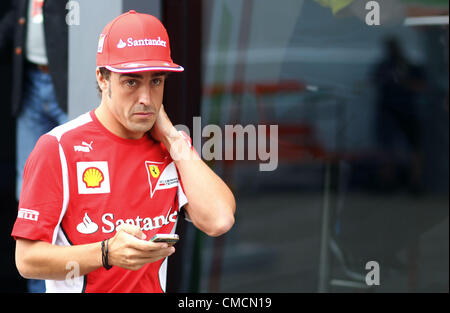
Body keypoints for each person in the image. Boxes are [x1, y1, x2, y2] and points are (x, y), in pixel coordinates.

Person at [11, 10, 236, 293]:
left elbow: (220, 220)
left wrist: (170, 136)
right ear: (103, 79)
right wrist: (106, 253)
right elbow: (26, 260)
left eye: (156, 81)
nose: (145, 98)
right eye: (132, 81)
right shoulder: (58, 147)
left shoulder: (171, 147)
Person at [0, 0, 68, 293]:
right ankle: (39, 287)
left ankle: (72, 280)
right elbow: (14, 18)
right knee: (28, 193)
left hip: (66, 83)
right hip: (29, 82)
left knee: (76, 188)